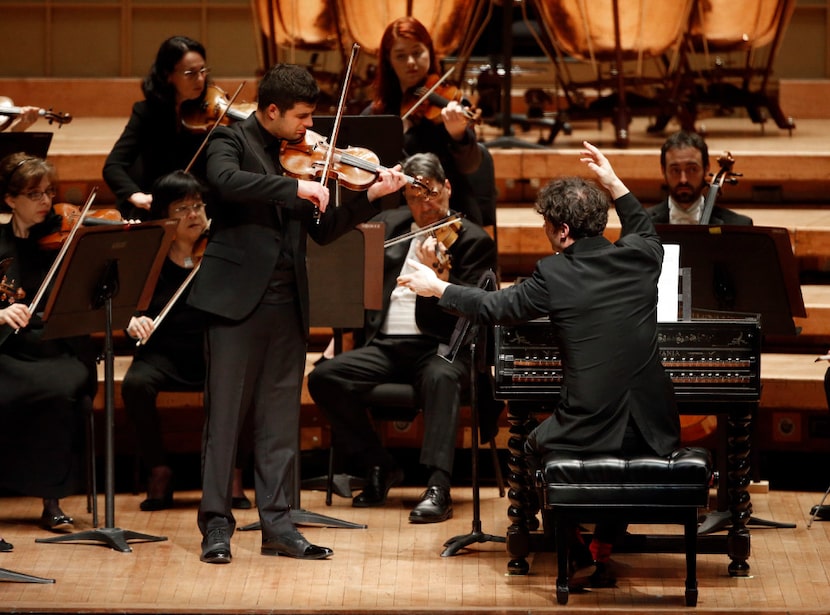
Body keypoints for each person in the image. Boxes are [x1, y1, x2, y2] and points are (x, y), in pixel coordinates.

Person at [399, 142, 681, 585]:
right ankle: (602, 546)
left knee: (530, 444)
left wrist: (437, 287)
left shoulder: (555, 276)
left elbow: (493, 306)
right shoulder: (644, 255)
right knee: (608, 450)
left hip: (590, 423)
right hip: (655, 422)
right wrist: (612, 181)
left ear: (563, 231)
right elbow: (642, 223)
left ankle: (571, 552)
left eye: (548, 226)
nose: (547, 233)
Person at [186, 63, 408, 564]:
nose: (310, 129)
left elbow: (325, 229)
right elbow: (223, 182)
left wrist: (370, 195)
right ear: (271, 111)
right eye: (302, 118)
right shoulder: (231, 142)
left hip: (288, 306)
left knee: (279, 419)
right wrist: (295, 190)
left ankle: (279, 525)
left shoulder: (303, 160)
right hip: (235, 305)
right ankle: (216, 526)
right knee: (225, 418)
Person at [308, 152, 497, 523]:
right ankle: (378, 463)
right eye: (415, 198)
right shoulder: (389, 225)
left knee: (442, 376)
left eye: (432, 195)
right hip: (386, 345)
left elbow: (476, 311)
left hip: (439, 346)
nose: (425, 206)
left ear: (447, 188)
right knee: (324, 377)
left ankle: (438, 486)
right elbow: (356, 275)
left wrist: (437, 280)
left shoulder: (472, 240)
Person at [121, 170, 250, 511]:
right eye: (182, 208)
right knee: (135, 385)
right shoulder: (148, 255)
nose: (194, 214)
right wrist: (133, 321)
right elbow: (125, 310)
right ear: (164, 215)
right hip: (163, 352)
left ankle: (233, 471)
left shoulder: (220, 247)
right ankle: (159, 469)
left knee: (245, 380)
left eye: (198, 205)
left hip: (213, 347)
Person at [0, 153, 97, 533]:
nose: (46, 202)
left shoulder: (65, 237)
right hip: (9, 350)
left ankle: (51, 500)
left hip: (58, 347)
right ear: (10, 200)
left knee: (59, 390)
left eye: (48, 193)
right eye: (34, 195)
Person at [365, 16, 485, 225]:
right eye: (401, 56)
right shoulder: (379, 113)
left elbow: (471, 165)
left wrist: (458, 135)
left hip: (448, 206)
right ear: (389, 61)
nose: (411, 62)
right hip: (397, 211)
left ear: (429, 51)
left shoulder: (451, 102)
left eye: (417, 52)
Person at [103, 35, 211, 221]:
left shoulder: (209, 114)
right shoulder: (147, 113)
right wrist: (136, 195)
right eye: (190, 73)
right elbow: (113, 166)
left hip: (197, 208)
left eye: (203, 71)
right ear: (168, 76)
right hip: (156, 207)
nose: (200, 79)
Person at [649, 130, 753, 226]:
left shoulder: (737, 225)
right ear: (663, 170)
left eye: (692, 170)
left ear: (706, 168)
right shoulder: (639, 224)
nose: (683, 180)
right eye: (675, 170)